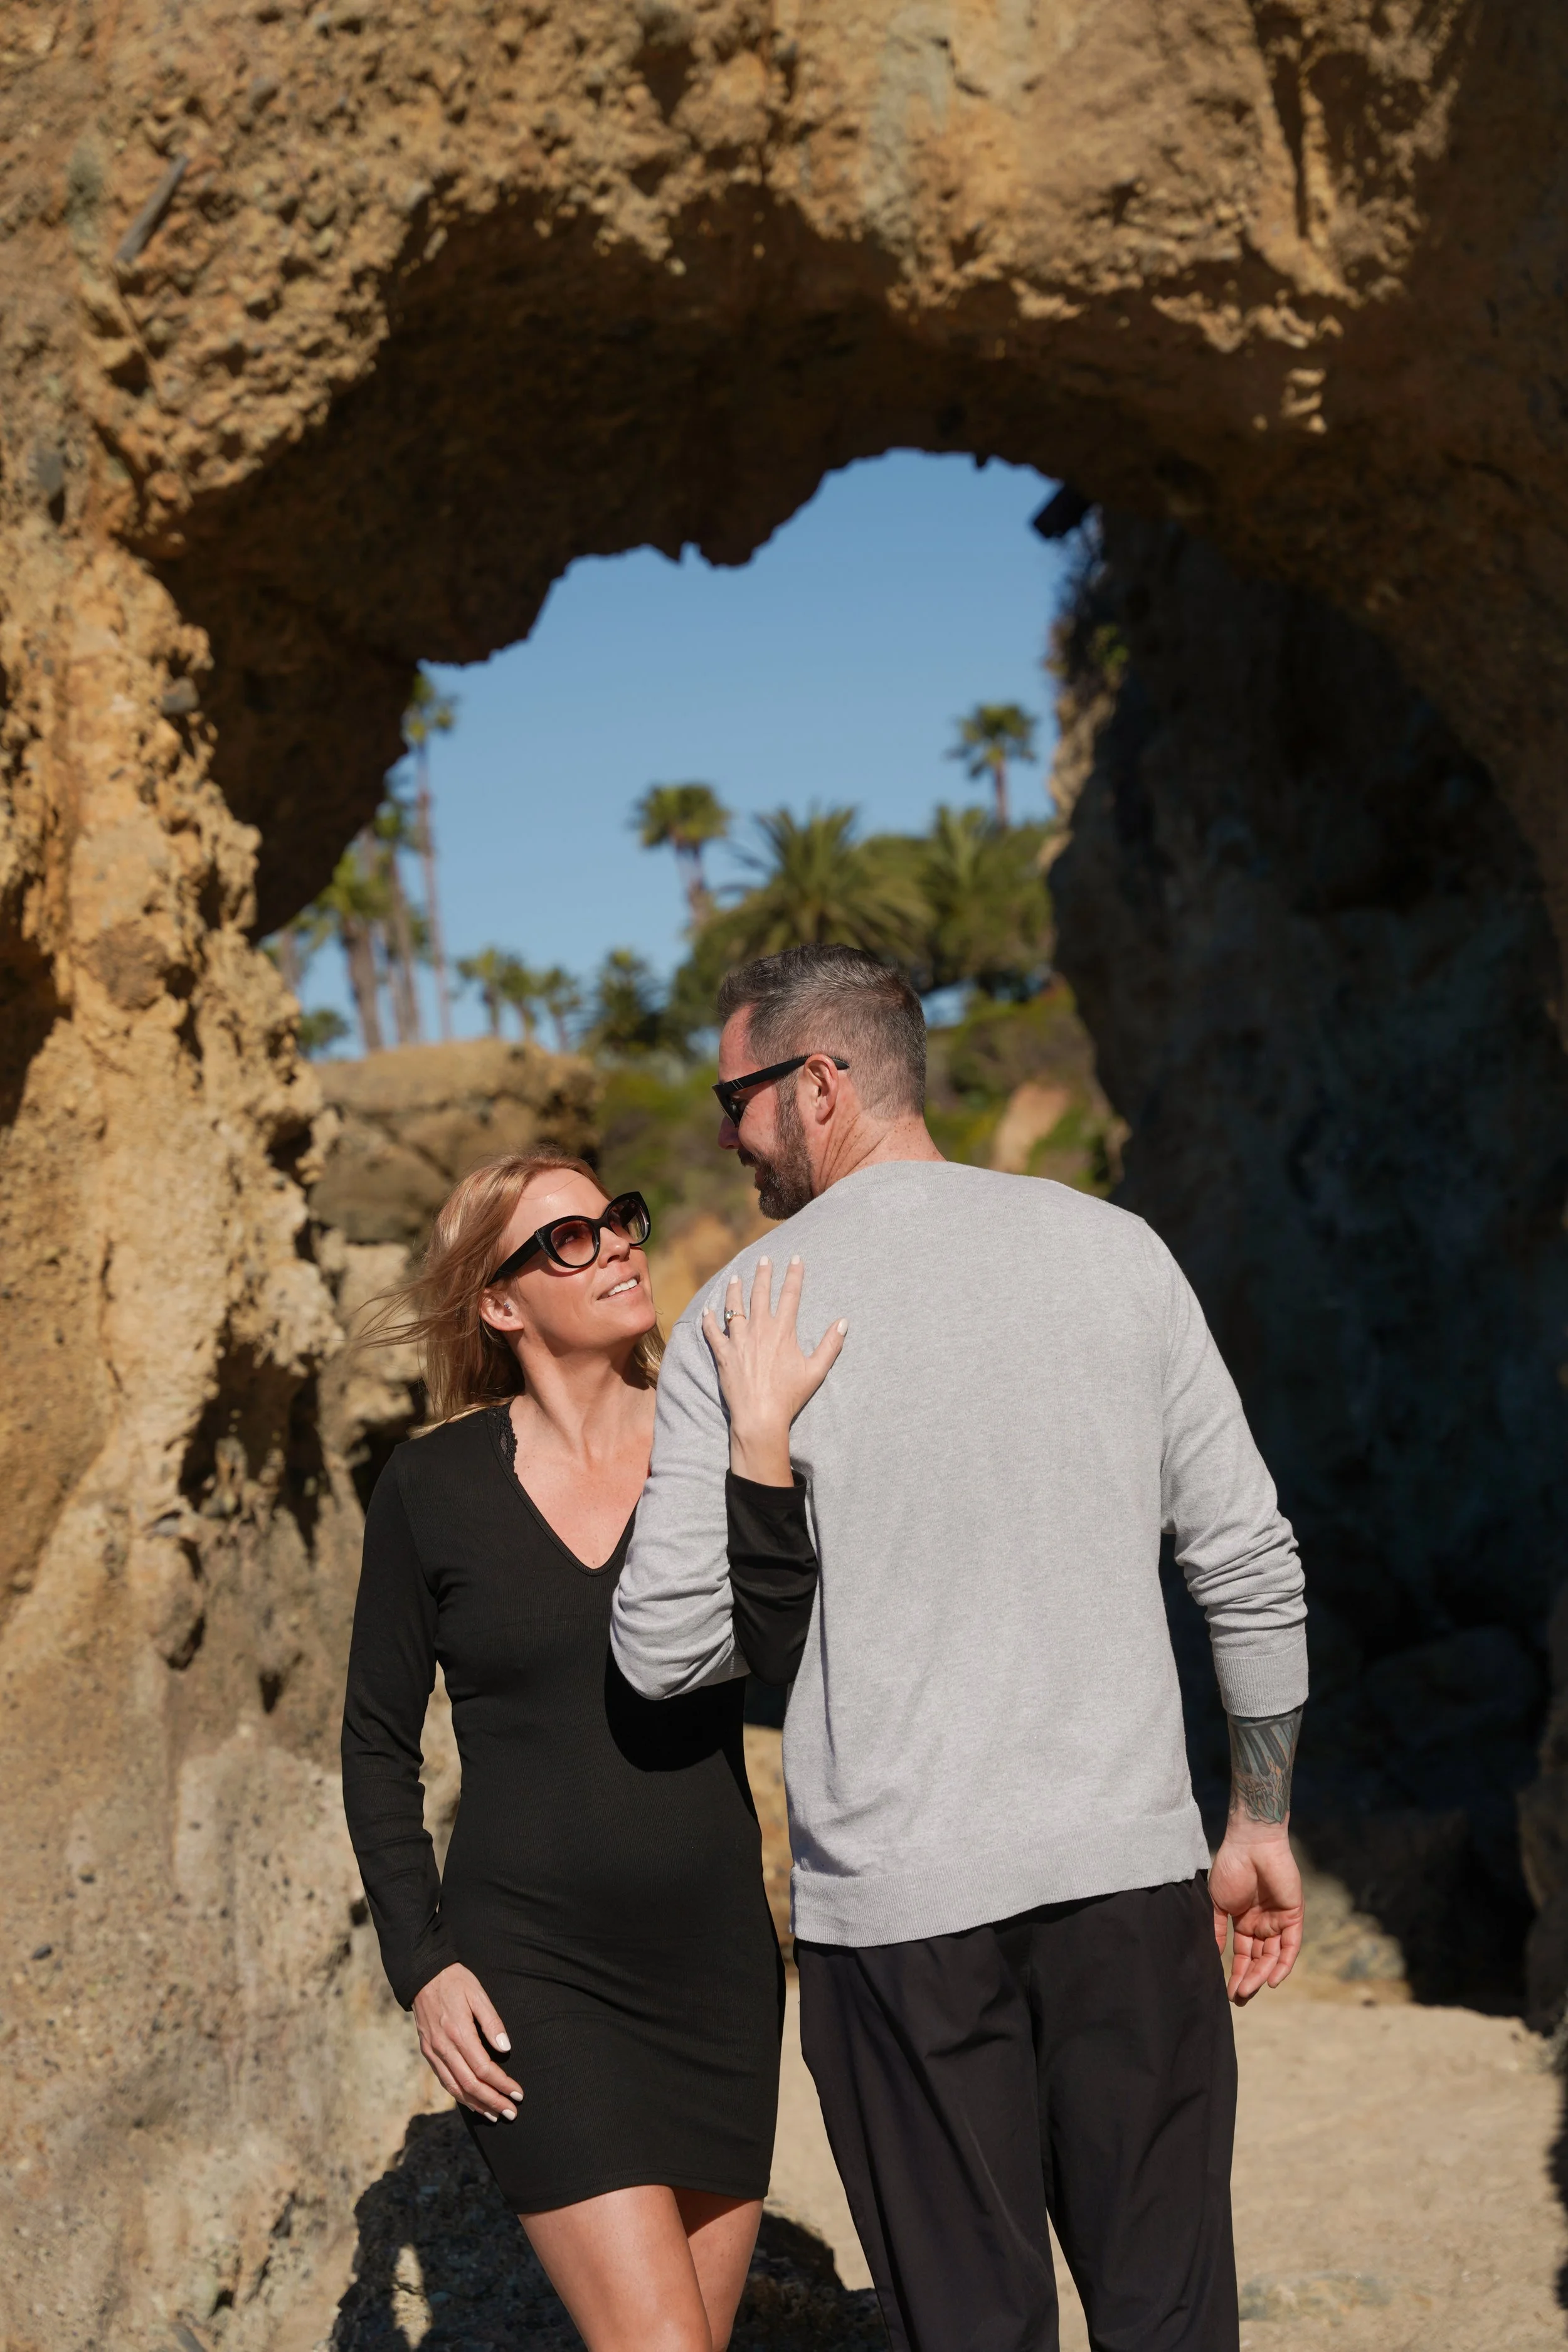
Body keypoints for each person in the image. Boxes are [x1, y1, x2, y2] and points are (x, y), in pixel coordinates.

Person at [613, 945, 1309, 2352]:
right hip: (1128, 1876)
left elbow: (664, 1651)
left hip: (897, 1916)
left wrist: (762, 1464)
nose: (727, 1138)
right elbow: (1245, 1561)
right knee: (1169, 2319)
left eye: (733, 1098)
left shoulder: (743, 1316)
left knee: (971, 2333)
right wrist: (1258, 1817)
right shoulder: (1117, 1252)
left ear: (818, 1085)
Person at [340, 1150, 841, 2352]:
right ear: (499, 1304)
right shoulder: (431, 1485)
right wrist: (424, 1965)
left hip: (718, 1968)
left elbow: (780, 1651)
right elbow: (374, 1742)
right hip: (537, 1973)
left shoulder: (718, 1436)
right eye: (568, 1238)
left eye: (616, 1218)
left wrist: (761, 1444)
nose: (617, 1243)